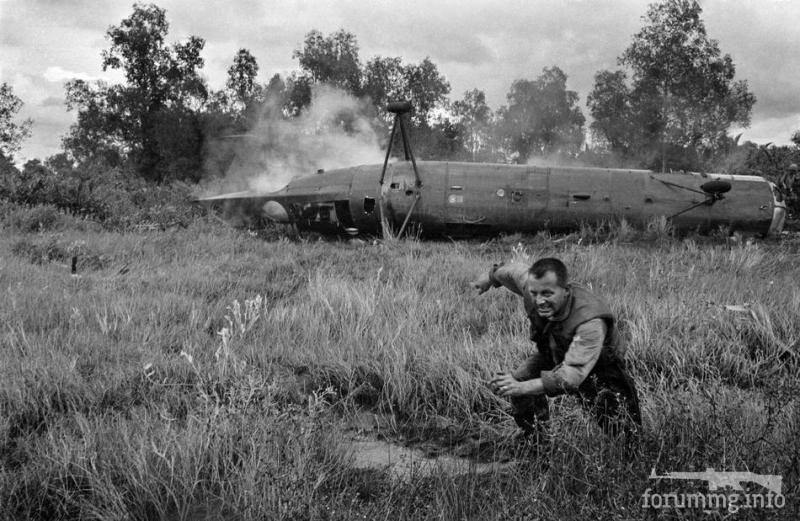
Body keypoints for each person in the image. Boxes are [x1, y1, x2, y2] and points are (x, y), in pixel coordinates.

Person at [473, 257, 641, 438]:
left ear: (566, 291)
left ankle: (632, 458)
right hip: (554, 350)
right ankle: (536, 444)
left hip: (599, 367)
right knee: (521, 379)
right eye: (534, 293)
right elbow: (513, 272)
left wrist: (519, 387)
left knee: (623, 431)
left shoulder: (590, 322)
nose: (539, 301)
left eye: (547, 294)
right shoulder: (533, 286)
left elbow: (571, 377)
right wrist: (490, 277)